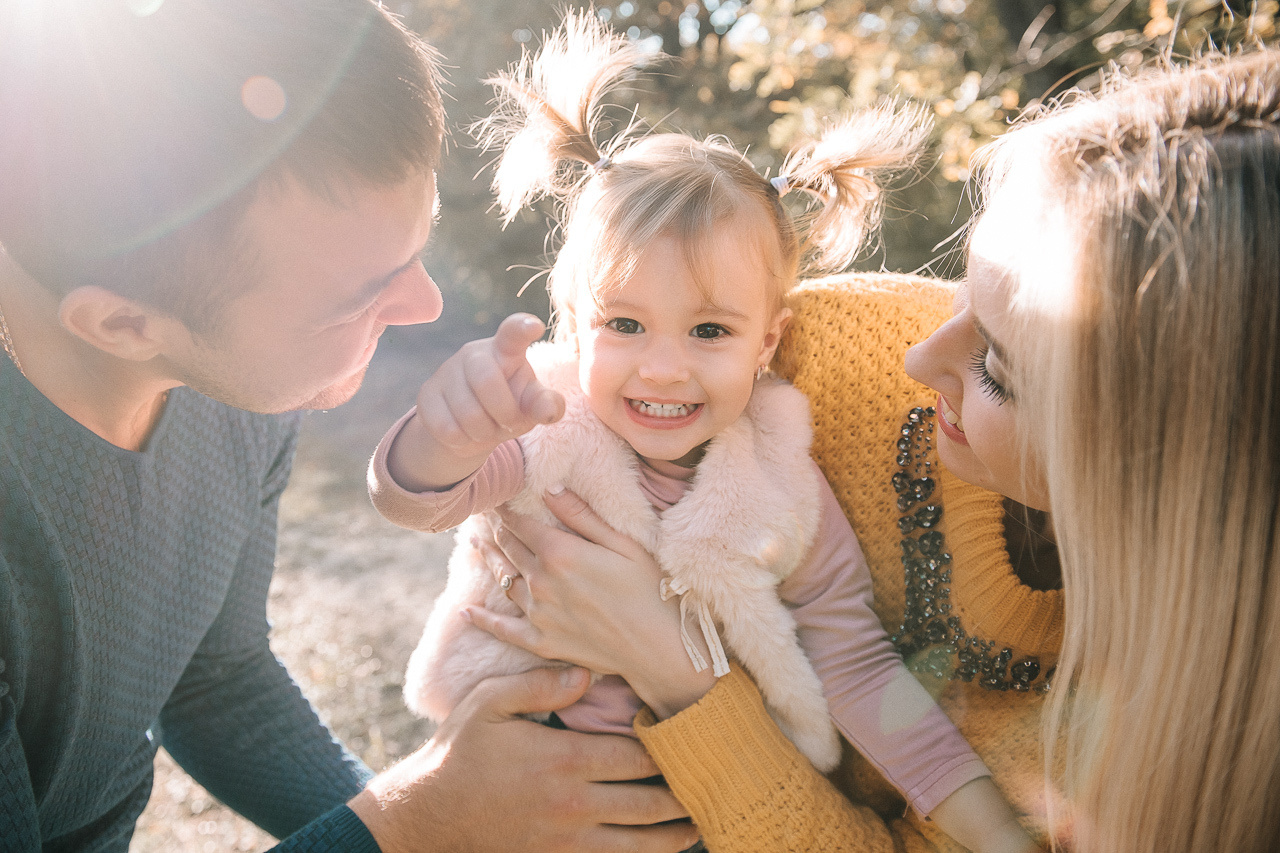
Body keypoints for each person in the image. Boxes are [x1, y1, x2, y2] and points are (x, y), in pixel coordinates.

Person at [466, 48, 1280, 852]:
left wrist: (676, 669)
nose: (921, 358)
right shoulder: (829, 355)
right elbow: (449, 482)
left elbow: (850, 663)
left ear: (1142, 463)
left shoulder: (1155, 754)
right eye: (960, 294)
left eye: (997, 368)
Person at [0, 1, 695, 851]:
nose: (426, 305)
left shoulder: (231, 390)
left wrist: (428, 815)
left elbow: (215, 679)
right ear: (121, 324)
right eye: (355, 299)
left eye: (416, 248)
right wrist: (421, 819)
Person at [369, 12, 1040, 853]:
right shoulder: (548, 423)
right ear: (573, 320)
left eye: (710, 331)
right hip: (517, 787)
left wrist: (995, 830)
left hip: (690, 814)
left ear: (767, 342)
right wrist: (444, 435)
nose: (662, 369)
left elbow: (857, 665)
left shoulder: (781, 485)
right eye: (624, 323)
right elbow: (416, 500)